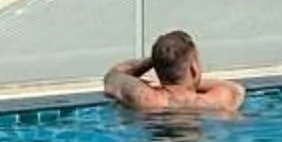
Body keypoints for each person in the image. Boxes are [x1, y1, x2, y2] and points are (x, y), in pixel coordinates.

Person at [103, 31, 247, 115]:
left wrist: (155, 60)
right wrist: (194, 83)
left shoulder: (145, 99)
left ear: (156, 69)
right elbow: (237, 90)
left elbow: (112, 76)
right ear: (194, 69)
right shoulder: (217, 102)